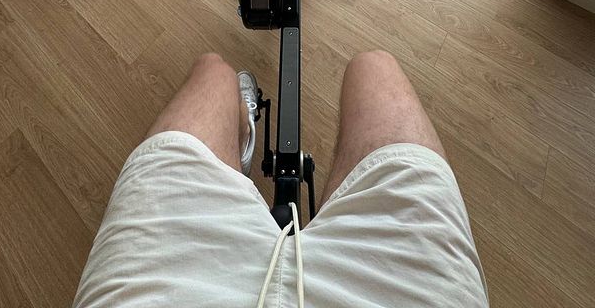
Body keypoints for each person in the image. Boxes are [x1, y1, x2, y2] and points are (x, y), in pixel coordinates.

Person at [73, 50, 489, 307]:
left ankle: (239, 138)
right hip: (401, 293)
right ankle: (323, 195)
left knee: (214, 70)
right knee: (374, 65)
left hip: (169, 291)